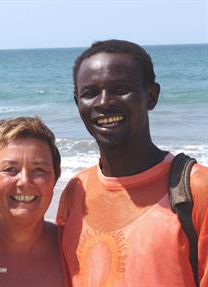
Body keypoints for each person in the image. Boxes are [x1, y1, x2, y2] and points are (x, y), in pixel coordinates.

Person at [56, 39, 208, 286]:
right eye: (90, 93)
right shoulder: (76, 192)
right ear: (77, 104)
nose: (104, 102)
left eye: (120, 89)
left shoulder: (197, 188)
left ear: (151, 96)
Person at [0, 116, 66, 287]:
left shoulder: (72, 249)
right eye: (10, 169)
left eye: (39, 169)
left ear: (55, 179)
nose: (24, 181)